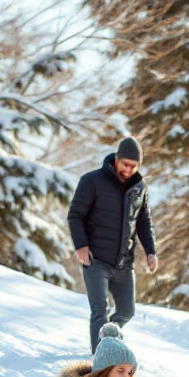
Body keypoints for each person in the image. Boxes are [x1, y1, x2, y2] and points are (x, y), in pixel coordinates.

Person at [68, 136, 159, 351]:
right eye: (125, 164)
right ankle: (101, 359)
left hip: (123, 262)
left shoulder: (139, 187)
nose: (128, 169)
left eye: (133, 165)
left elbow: (144, 221)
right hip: (96, 259)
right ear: (116, 159)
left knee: (127, 311)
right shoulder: (92, 181)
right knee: (100, 308)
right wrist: (80, 245)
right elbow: (75, 215)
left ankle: (107, 335)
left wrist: (150, 251)